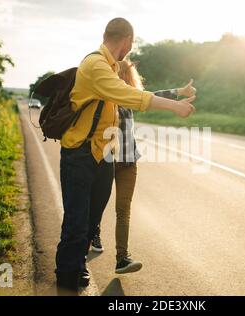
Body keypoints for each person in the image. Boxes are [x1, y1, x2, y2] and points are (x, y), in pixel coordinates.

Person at [55, 17, 196, 294]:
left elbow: (133, 94)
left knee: (92, 217)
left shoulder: (111, 65)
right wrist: (174, 106)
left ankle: (77, 264)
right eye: (130, 45)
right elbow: (126, 94)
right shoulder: (96, 64)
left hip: (103, 155)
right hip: (80, 154)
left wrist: (176, 94)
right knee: (77, 219)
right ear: (128, 41)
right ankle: (66, 274)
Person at [91, 60, 196, 276]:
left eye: (124, 74)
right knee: (97, 204)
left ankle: (122, 258)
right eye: (116, 73)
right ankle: (93, 233)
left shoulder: (131, 96)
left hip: (128, 161)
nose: (121, 77)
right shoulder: (103, 93)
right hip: (106, 160)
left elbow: (153, 95)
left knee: (123, 209)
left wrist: (179, 91)